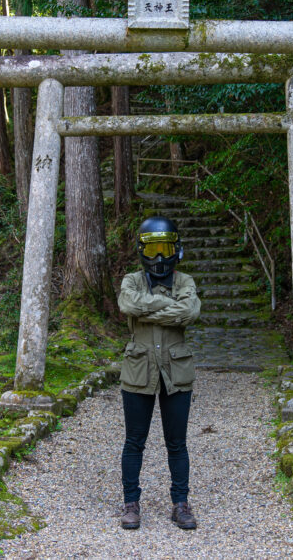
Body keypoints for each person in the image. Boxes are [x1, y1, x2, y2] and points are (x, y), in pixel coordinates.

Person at [116, 215, 201, 531]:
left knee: (177, 442)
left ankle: (180, 503)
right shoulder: (131, 281)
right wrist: (168, 309)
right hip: (138, 370)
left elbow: (190, 311)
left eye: (165, 248)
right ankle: (130, 504)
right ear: (141, 251)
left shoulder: (186, 282)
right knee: (133, 441)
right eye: (152, 250)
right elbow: (127, 303)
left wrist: (148, 308)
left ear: (177, 248)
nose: (160, 257)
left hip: (176, 372)